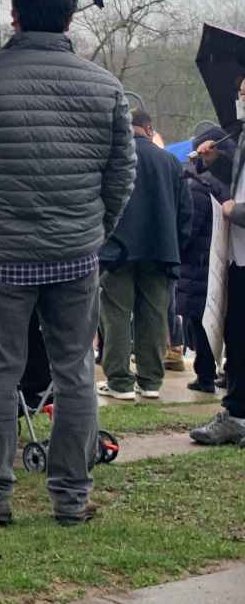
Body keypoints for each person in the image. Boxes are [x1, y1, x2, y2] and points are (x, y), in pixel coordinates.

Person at [0, 0, 136, 526]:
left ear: (15, 15)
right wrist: (95, 227)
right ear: (71, 17)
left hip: (0, 251)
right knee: (75, 371)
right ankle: (71, 497)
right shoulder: (106, 86)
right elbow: (121, 175)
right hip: (75, 252)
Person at [97, 110, 192, 401]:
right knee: (153, 317)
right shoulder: (170, 162)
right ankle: (151, 380)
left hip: (118, 250)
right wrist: (177, 247)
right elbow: (185, 212)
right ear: (149, 128)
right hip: (161, 250)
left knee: (116, 316)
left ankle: (120, 381)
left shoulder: (113, 159)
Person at [191, 75, 245, 446]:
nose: (239, 99)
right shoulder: (240, 136)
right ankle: (237, 410)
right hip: (238, 255)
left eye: (244, 93)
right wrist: (217, 162)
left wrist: (235, 210)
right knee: (237, 335)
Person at [179, 127, 233, 394]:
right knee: (222, 318)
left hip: (197, 264)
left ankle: (205, 375)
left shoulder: (196, 187)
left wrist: (180, 250)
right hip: (220, 257)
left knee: (200, 320)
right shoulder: (225, 183)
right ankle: (228, 370)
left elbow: (190, 228)